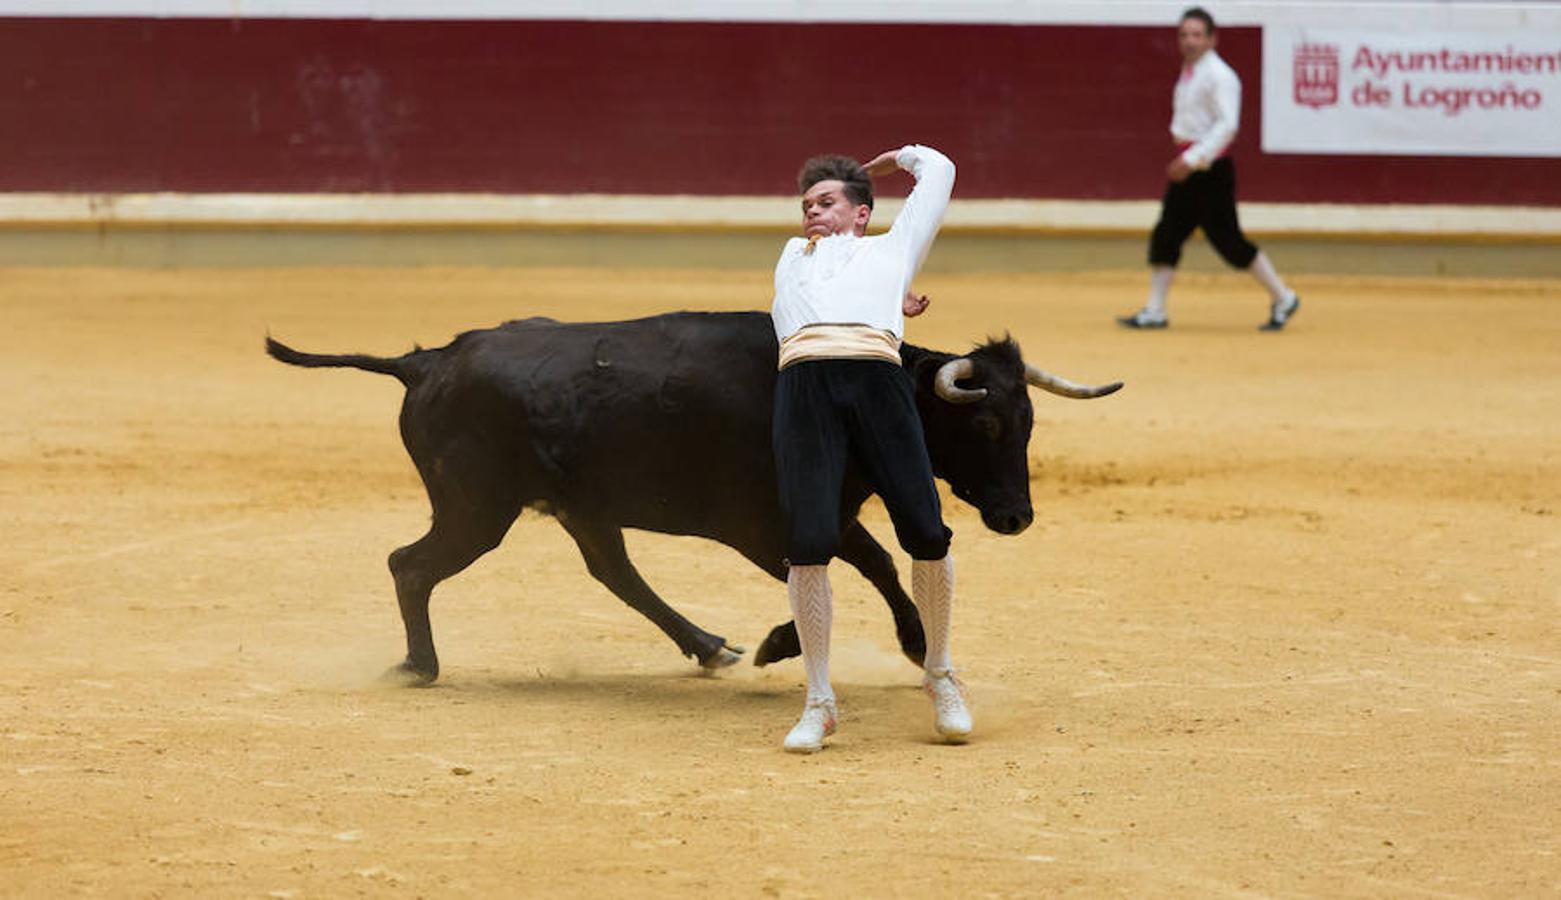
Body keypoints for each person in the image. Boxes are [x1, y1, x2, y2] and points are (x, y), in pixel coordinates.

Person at [770, 144, 970, 753]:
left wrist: (889, 162)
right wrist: (897, 296)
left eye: (827, 202)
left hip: (878, 381)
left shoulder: (891, 248)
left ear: (862, 213)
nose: (812, 212)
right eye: (806, 204)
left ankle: (940, 672)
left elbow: (939, 170)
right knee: (806, 544)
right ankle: (820, 700)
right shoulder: (791, 255)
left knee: (926, 532)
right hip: (803, 385)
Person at [1118, 6, 1301, 331]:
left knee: (1230, 242)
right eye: (1184, 35)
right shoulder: (1192, 72)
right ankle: (1155, 310)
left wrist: (1191, 159)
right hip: (1193, 167)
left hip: (1210, 170)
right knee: (1167, 234)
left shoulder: (1220, 75)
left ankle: (1283, 296)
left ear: (1212, 39)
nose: (1189, 41)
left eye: (1197, 35)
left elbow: (1227, 126)